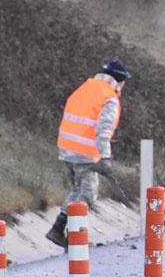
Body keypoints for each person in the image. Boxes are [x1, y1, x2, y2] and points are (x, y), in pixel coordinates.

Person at [45, 58, 131, 247]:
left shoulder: (85, 88)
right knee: (88, 194)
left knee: (77, 190)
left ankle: (60, 231)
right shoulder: (109, 98)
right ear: (120, 81)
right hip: (84, 153)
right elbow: (103, 130)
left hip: (67, 147)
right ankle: (72, 237)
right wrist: (105, 157)